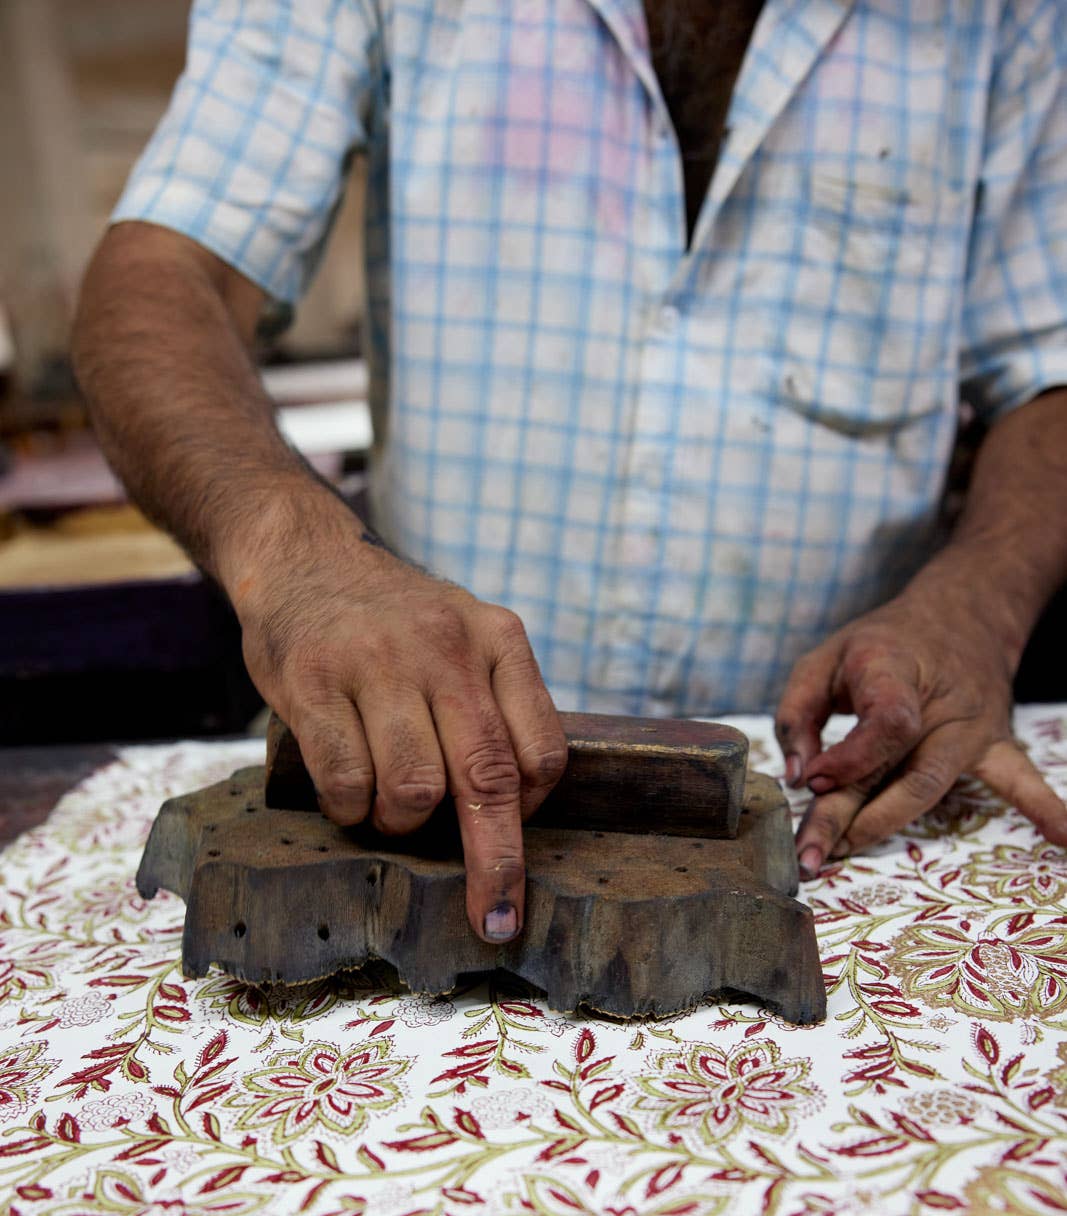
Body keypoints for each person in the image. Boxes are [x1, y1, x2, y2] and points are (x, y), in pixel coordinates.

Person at [73, 0, 1067, 948]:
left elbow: (1047, 367)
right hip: (401, 785)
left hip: (830, 798)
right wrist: (298, 560)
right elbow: (162, 274)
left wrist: (977, 603)